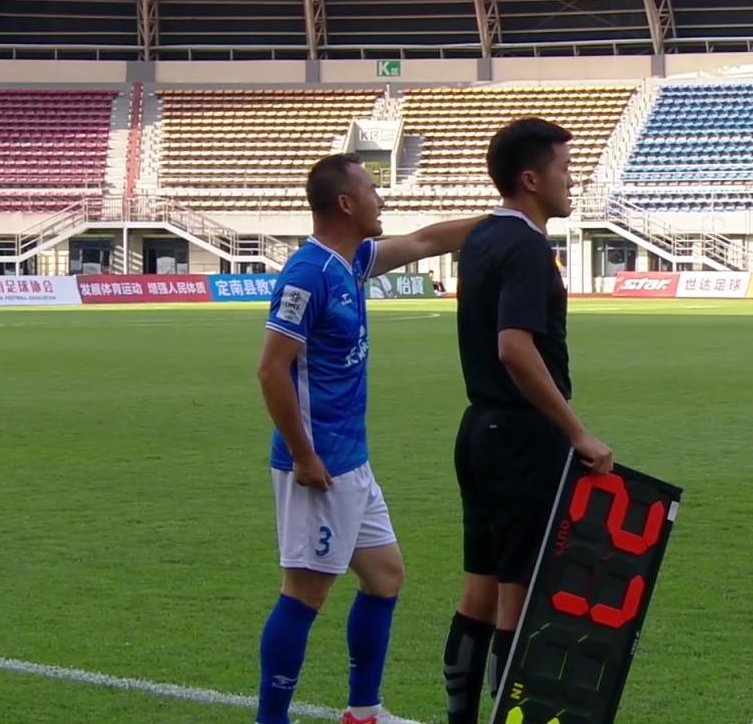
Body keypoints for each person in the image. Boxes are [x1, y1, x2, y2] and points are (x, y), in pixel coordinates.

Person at [255, 152, 482, 724]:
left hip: (351, 461)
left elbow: (427, 240)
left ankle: (363, 710)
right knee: (303, 593)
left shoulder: (352, 260)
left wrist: (507, 219)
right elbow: (271, 370)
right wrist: (304, 456)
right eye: (372, 191)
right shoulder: (308, 274)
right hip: (320, 466)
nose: (382, 200)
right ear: (345, 203)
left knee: (385, 576)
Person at [441, 118, 614, 724]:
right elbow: (514, 348)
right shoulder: (525, 246)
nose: (573, 180)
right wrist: (576, 430)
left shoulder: (484, 238)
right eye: (565, 168)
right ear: (531, 179)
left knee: (478, 592)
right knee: (519, 597)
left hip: (479, 430)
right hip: (521, 438)